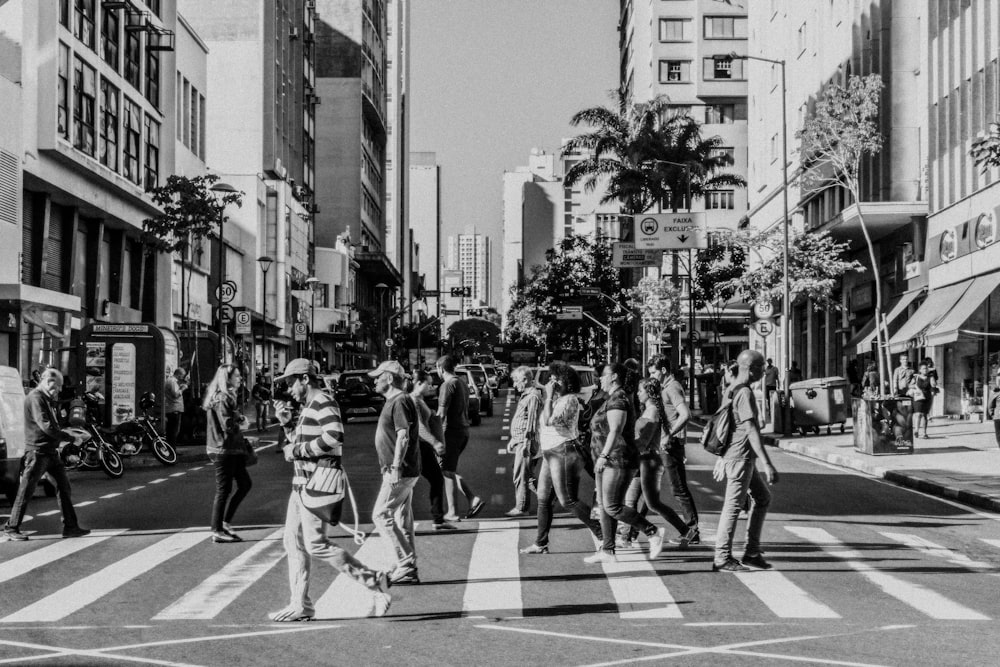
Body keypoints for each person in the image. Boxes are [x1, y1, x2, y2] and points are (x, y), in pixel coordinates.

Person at [269, 358, 391, 621]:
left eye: (291, 382)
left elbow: (334, 436)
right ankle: (300, 605)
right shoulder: (309, 406)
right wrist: (287, 424)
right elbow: (300, 445)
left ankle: (373, 581)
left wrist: (297, 449)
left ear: (305, 379)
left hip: (315, 485)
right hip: (300, 486)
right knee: (293, 541)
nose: (289, 389)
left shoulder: (323, 401)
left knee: (315, 544)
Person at [519, 361, 603, 555]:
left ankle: (601, 533)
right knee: (543, 499)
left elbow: (550, 420)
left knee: (568, 500)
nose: (551, 382)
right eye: (551, 379)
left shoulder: (570, 400)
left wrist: (548, 396)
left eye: (555, 379)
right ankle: (541, 543)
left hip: (564, 452)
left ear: (564, 382)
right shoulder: (558, 399)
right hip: (551, 453)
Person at [589, 363, 664, 564]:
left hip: (617, 459)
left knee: (613, 506)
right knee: (605, 506)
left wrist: (604, 456)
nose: (599, 380)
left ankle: (652, 531)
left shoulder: (618, 399)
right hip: (607, 460)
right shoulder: (611, 397)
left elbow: (615, 430)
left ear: (613, 377)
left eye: (602, 376)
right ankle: (608, 549)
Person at [4, 368, 90, 541]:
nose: (58, 390)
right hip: (38, 452)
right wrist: (71, 438)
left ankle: (71, 527)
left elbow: (52, 426)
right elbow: (46, 426)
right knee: (26, 490)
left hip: (49, 451)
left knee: (63, 487)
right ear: (48, 381)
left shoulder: (46, 399)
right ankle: (11, 527)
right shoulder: (36, 398)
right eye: (57, 386)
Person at [713, 349, 779, 572]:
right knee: (732, 507)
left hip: (737, 456)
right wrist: (767, 463)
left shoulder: (730, 389)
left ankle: (752, 552)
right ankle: (722, 557)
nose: (764, 371)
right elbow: (751, 430)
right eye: (761, 367)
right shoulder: (744, 393)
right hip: (740, 457)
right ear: (751, 368)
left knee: (762, 498)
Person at [620, 377, 693, 549]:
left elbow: (643, 441)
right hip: (642, 461)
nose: (638, 394)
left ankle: (687, 531)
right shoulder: (648, 409)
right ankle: (626, 538)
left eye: (640, 391)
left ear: (649, 393)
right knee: (631, 502)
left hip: (648, 461)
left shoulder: (652, 411)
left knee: (653, 503)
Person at [369, 360, 421, 585]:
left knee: (380, 515)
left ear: (389, 378)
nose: (374, 381)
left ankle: (405, 563)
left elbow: (403, 435)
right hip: (402, 470)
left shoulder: (399, 401)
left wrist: (396, 467)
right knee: (402, 519)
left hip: (400, 471)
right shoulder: (397, 400)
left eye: (378, 377)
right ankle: (409, 567)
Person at [646, 354, 700, 544]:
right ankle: (632, 530)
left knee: (678, 489)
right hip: (666, 444)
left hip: (669, 445)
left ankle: (692, 530)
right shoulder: (666, 388)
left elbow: (686, 415)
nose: (652, 377)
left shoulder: (672, 387)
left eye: (653, 373)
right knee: (649, 488)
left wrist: (670, 435)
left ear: (663, 370)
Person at [203, 364, 253, 544]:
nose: (240, 378)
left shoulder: (224, 397)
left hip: (229, 448)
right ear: (227, 378)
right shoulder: (223, 398)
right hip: (224, 449)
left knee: (245, 484)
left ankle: (224, 523)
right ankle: (217, 529)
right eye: (237, 376)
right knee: (223, 490)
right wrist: (242, 424)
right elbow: (228, 425)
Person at [436, 355, 484, 521]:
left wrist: (433, 435)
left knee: (447, 471)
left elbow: (441, 413)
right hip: (463, 430)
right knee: (450, 468)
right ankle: (472, 499)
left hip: (450, 431)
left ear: (440, 369)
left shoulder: (447, 385)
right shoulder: (462, 382)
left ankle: (452, 512)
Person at [409, 370, 454, 532]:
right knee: (410, 484)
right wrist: (435, 442)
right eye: (428, 383)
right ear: (418, 383)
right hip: (418, 447)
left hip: (423, 447)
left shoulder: (420, 400)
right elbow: (419, 427)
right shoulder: (413, 400)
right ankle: (434, 519)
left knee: (435, 479)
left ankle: (438, 519)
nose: (431, 386)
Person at [506, 366, 542, 517]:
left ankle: (521, 507)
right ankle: (547, 497)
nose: (514, 385)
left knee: (521, 475)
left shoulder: (532, 396)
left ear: (525, 380)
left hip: (525, 442)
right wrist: (513, 440)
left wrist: (527, 444)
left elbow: (532, 423)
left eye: (516, 381)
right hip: (520, 441)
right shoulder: (527, 395)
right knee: (527, 475)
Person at [164, 368, 187, 449]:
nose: (182, 377)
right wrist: (182, 389)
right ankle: (172, 450)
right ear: (179, 374)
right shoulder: (173, 381)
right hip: (174, 409)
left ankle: (171, 449)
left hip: (171, 409)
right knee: (174, 431)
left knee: (171, 431)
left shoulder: (170, 380)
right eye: (182, 375)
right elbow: (175, 394)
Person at [908, 363, 933, 439]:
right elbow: (910, 385)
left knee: (925, 415)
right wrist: (916, 387)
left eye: (926, 368)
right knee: (918, 414)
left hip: (927, 397)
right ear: (920, 370)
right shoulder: (916, 377)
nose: (925, 370)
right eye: (923, 368)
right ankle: (916, 431)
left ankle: (924, 433)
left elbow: (934, 385)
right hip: (918, 397)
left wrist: (933, 379)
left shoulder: (930, 377)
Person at [989, 370, 1000, 449]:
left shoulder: (995, 391)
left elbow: (990, 405)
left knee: (999, 435)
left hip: (998, 416)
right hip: (998, 416)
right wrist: (993, 414)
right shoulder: (995, 391)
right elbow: (990, 405)